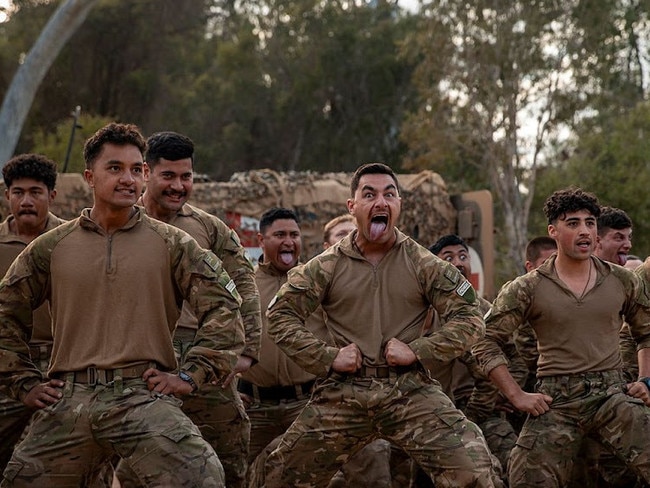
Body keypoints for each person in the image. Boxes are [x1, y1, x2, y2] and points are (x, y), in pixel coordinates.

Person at [0, 122, 245, 487]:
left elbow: (225, 306)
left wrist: (190, 374)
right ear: (89, 177)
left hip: (143, 398)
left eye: (136, 169)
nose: (127, 179)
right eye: (114, 168)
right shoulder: (52, 247)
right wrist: (22, 382)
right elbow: (5, 313)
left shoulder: (173, 244)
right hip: (69, 399)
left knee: (201, 476)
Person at [262, 162, 502, 487]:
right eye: (369, 194)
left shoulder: (423, 264)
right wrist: (326, 357)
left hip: (409, 391)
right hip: (346, 392)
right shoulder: (326, 266)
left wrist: (418, 351)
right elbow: (280, 315)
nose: (381, 203)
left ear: (399, 205)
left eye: (390, 195)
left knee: (473, 470)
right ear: (353, 207)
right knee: (280, 475)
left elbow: (470, 318)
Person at [472, 187, 650, 487]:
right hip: (556, 401)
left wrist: (646, 380)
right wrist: (516, 394)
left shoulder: (623, 280)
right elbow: (484, 340)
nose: (584, 231)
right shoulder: (526, 288)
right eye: (573, 223)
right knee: (525, 478)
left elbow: (645, 332)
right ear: (553, 231)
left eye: (590, 223)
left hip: (612, 396)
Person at [112, 130, 261, 488]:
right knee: (137, 464)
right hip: (139, 359)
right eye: (169, 176)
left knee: (227, 459)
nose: (179, 186)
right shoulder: (116, 225)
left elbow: (244, 287)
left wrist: (245, 352)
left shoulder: (210, 229)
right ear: (147, 173)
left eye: (187, 176)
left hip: (203, 357)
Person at [0, 154, 66, 471]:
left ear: (51, 195)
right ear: (6, 194)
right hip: (6, 364)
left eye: (36, 192)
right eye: (18, 192)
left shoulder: (72, 241)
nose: (26, 201)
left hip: (61, 366)